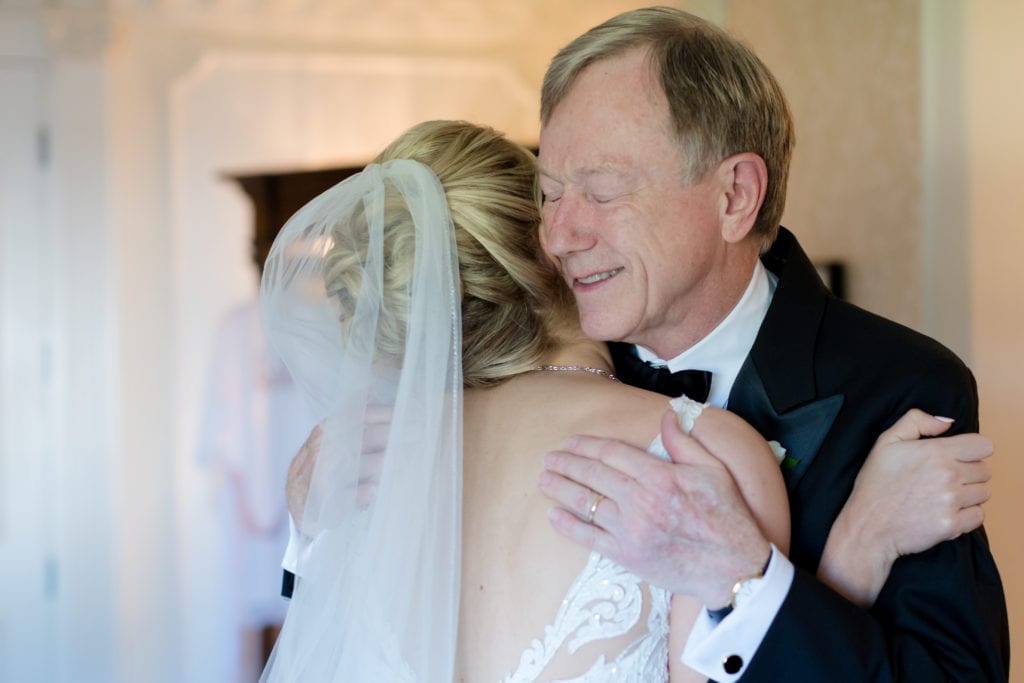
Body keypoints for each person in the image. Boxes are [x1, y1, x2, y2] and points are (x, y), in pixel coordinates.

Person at [265, 120, 990, 681]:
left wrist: (312, 537)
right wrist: (854, 552)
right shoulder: (700, 449)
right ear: (551, 244)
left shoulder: (359, 472)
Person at [533, 7, 1009, 681]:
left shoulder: (903, 389)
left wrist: (750, 580)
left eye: (602, 191)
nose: (559, 235)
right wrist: (841, 561)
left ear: (735, 195)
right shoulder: (537, 383)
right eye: (549, 194)